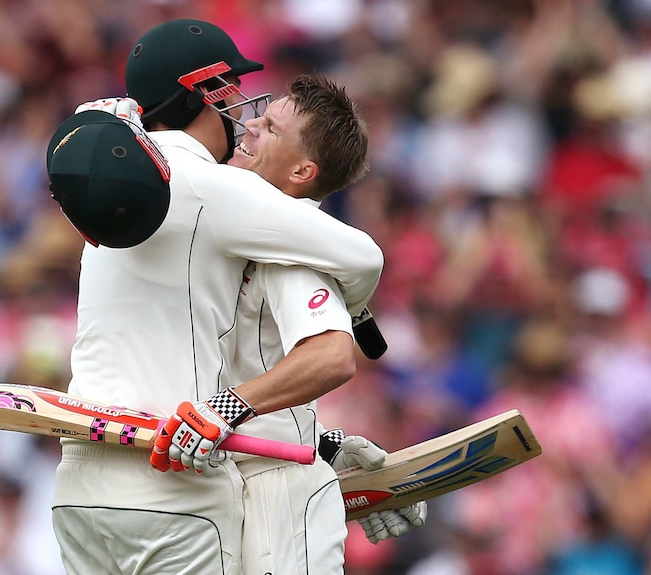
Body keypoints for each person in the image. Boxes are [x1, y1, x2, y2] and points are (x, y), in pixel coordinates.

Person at [48, 19, 385, 575]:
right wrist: (355, 303)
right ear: (195, 95)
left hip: (79, 486)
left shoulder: (112, 179)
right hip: (169, 481)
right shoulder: (221, 188)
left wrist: (319, 443)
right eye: (227, 89)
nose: (244, 115)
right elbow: (365, 258)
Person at [152, 73, 427, 573]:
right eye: (260, 116)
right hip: (244, 481)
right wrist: (325, 444)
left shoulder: (293, 254)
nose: (249, 126)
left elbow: (331, 356)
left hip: (283, 497)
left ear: (303, 171)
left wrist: (223, 411)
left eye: (272, 129)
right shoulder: (238, 225)